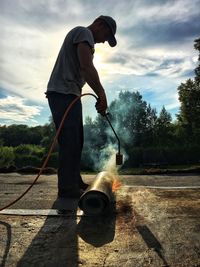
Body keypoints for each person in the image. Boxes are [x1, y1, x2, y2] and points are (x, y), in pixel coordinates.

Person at [46, 15, 117, 198]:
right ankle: (67, 189)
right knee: (70, 141)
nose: (102, 41)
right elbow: (86, 67)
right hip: (63, 93)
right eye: (105, 36)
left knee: (76, 142)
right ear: (100, 24)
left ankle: (74, 182)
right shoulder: (83, 32)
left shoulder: (85, 38)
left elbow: (86, 68)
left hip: (70, 94)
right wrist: (101, 93)